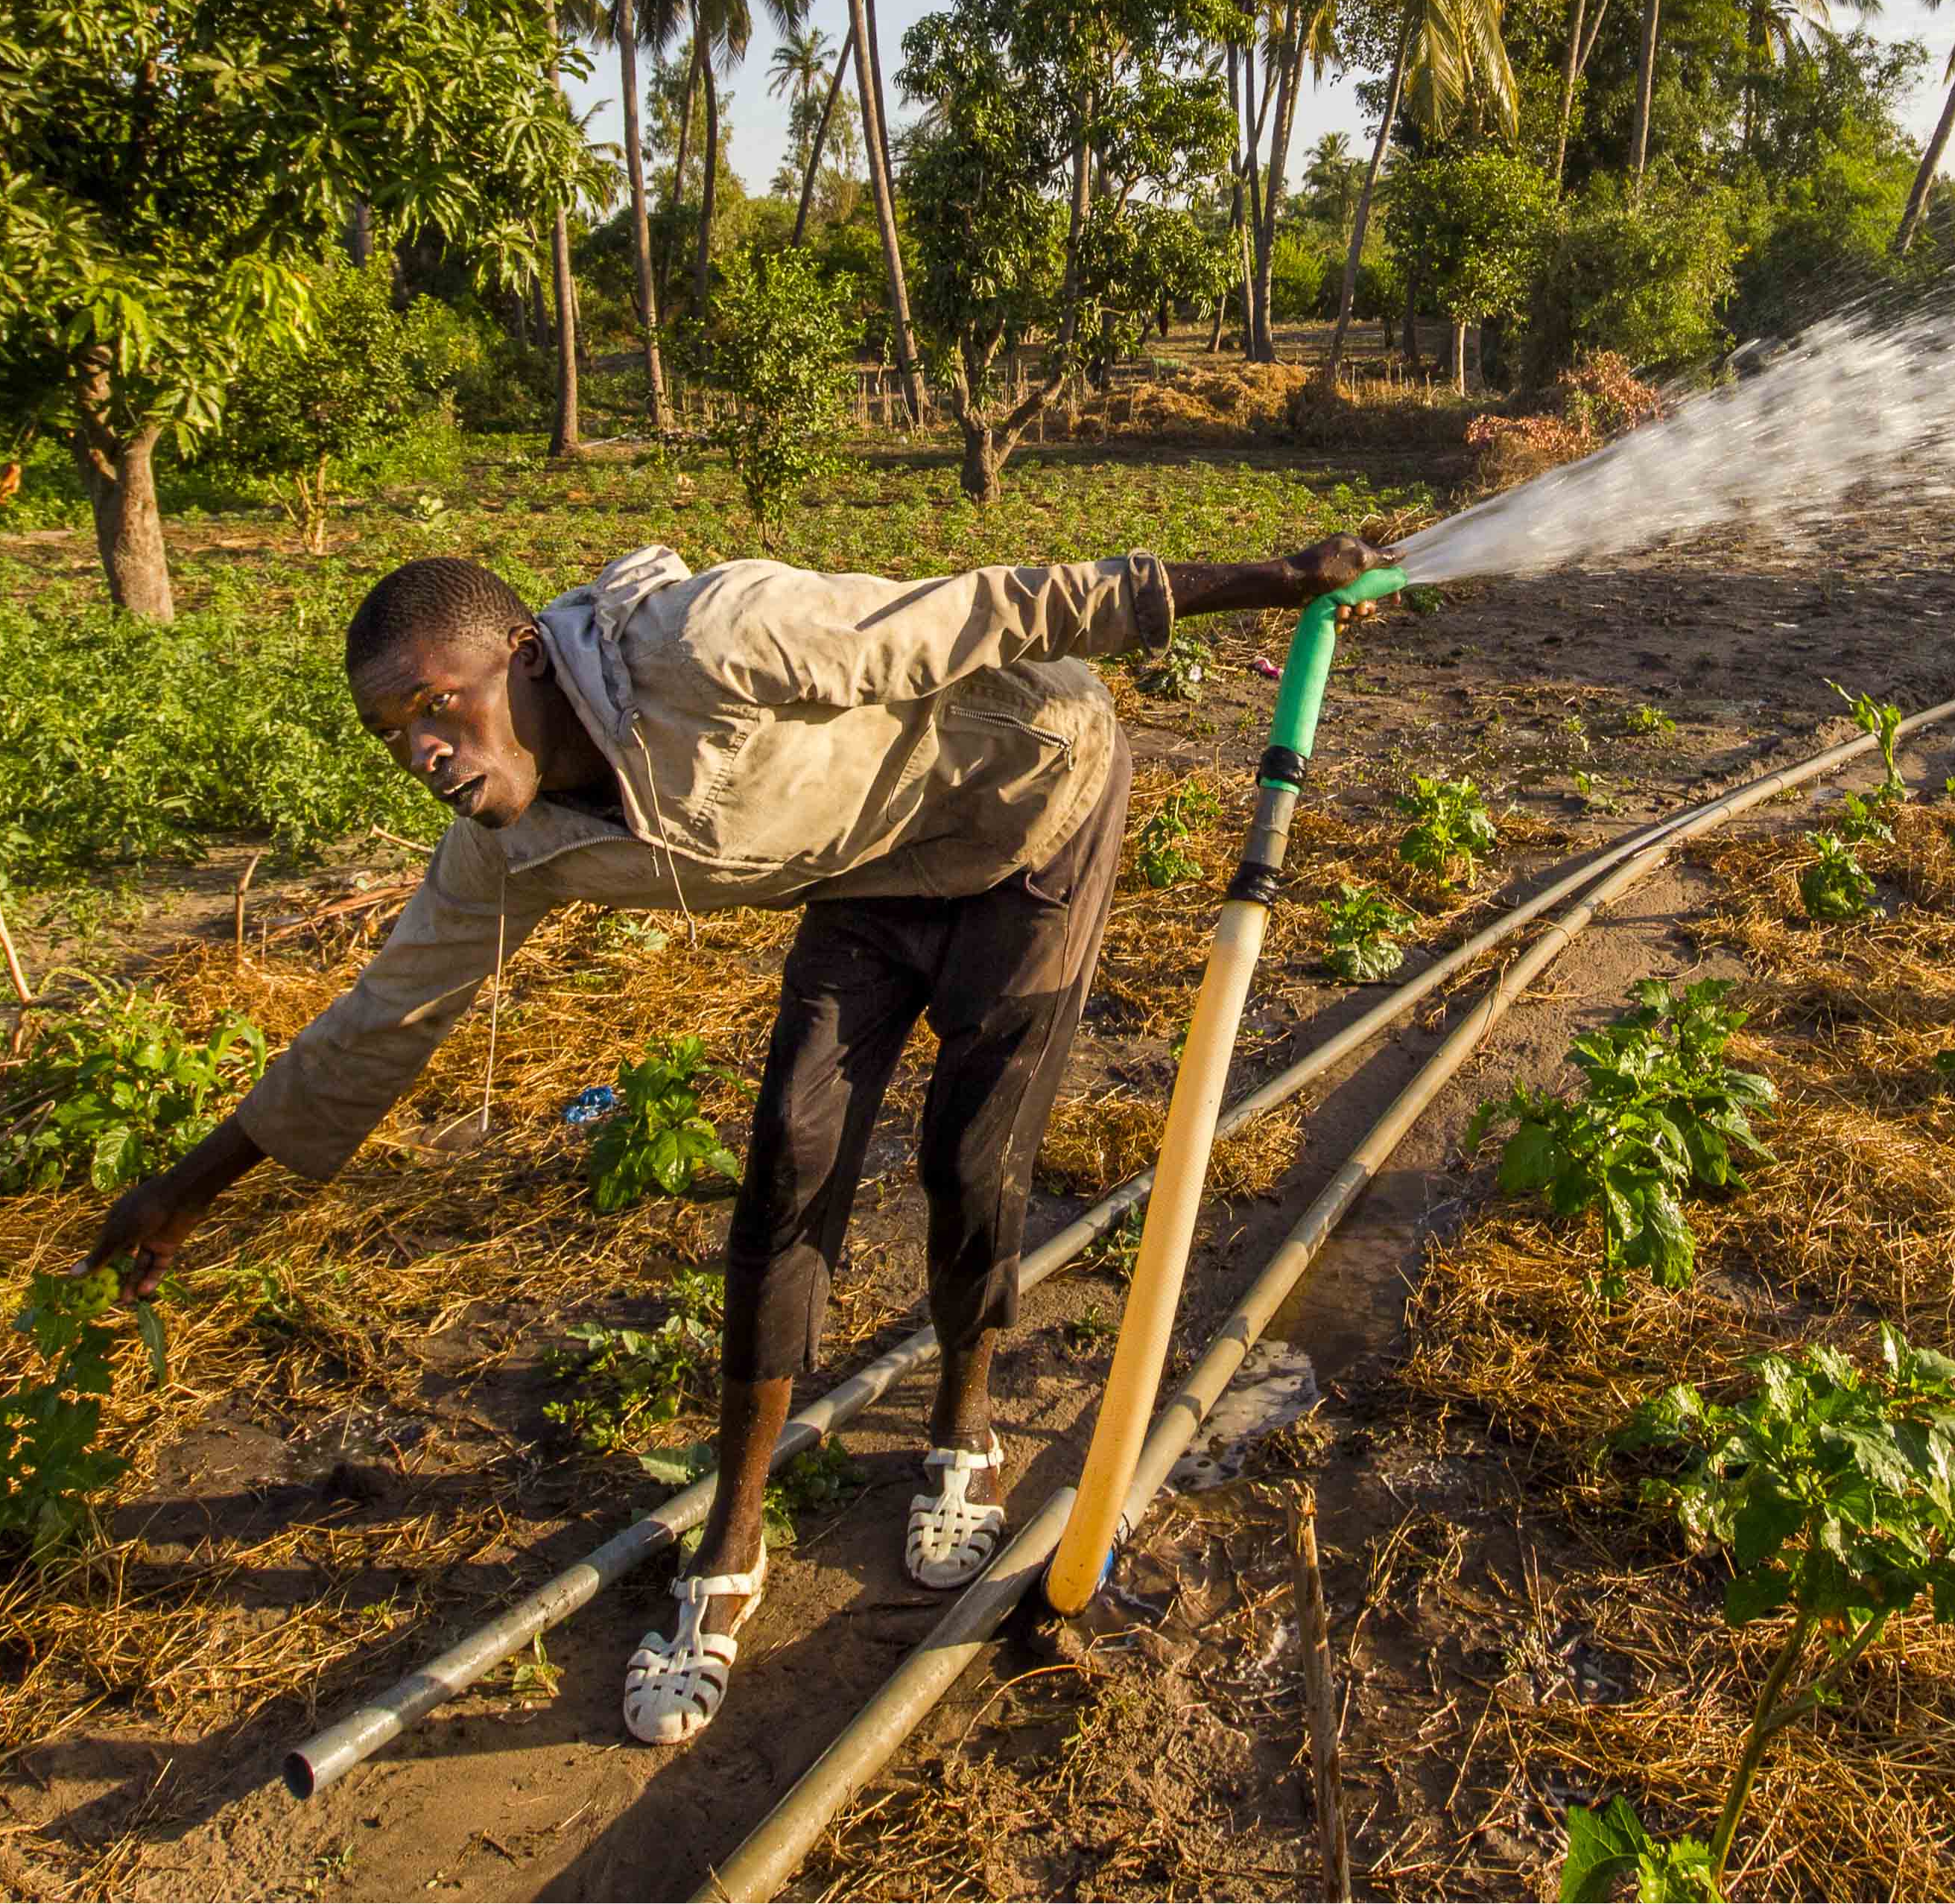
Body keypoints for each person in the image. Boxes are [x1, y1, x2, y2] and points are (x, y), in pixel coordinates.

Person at [86, 528, 1386, 1746]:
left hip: (1026, 803)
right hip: (870, 870)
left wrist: (1266, 580)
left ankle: (961, 1434)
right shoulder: (507, 848)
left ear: (524, 657)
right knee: (788, 1168)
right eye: (391, 733)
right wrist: (185, 1190)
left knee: (971, 1151)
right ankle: (734, 1541)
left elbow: (994, 608)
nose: (423, 748)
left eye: (438, 702)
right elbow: (378, 1020)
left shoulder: (710, 639)